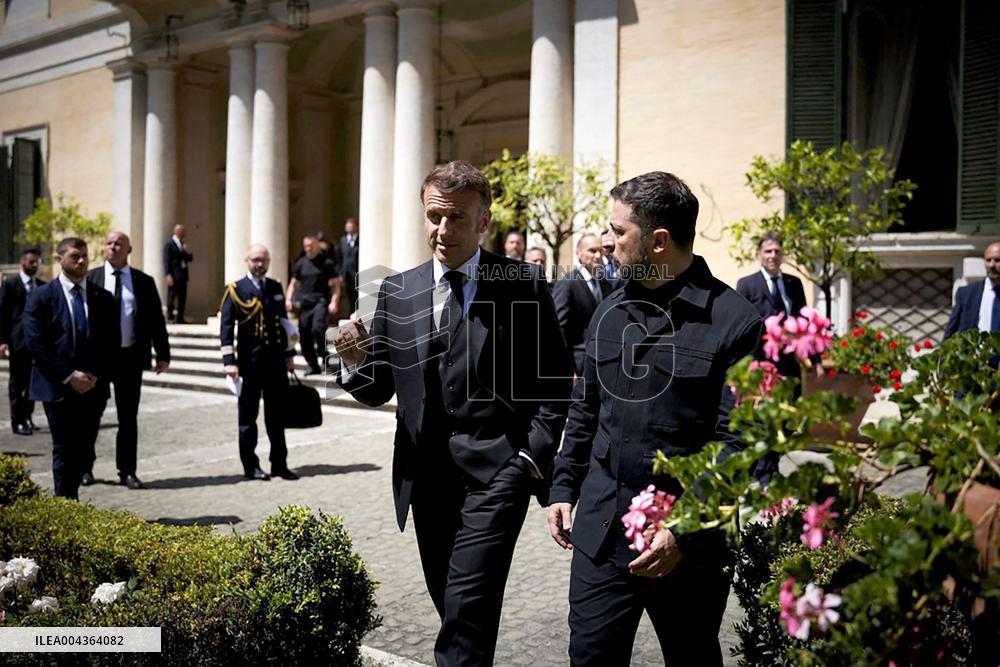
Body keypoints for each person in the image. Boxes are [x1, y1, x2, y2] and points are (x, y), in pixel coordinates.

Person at [333, 161, 573, 665]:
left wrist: (528, 462)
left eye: (457, 218)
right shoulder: (399, 291)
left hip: (496, 478)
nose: (443, 230)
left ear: (484, 221)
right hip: (425, 483)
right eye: (434, 216)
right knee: (456, 609)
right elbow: (379, 390)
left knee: (465, 611)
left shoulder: (522, 285)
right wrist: (354, 358)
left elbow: (555, 386)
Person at [547, 172, 762, 666]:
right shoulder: (609, 310)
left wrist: (683, 529)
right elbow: (586, 410)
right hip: (602, 532)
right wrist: (563, 487)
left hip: (688, 550)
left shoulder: (736, 323)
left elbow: (741, 443)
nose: (607, 241)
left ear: (658, 240)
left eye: (618, 232)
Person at [23, 238, 120, 500]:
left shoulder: (104, 298)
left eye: (85, 256)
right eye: (75, 256)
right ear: (59, 259)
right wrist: (69, 375)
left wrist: (94, 376)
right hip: (57, 386)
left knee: (85, 449)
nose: (81, 261)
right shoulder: (41, 297)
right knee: (64, 447)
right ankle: (66, 503)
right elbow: (36, 343)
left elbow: (112, 342)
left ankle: (71, 495)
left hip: (93, 386)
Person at [83, 231, 170, 489]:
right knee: (91, 416)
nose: (113, 247)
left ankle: (127, 471)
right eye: (109, 243)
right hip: (98, 361)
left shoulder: (143, 281)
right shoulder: (92, 278)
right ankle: (85, 468)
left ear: (128, 249)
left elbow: (156, 319)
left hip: (130, 358)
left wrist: (163, 353)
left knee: (128, 418)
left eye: (118, 243)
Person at [220, 244, 298, 481]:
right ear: (247, 260)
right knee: (248, 418)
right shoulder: (235, 289)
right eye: (256, 260)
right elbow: (226, 327)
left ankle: (279, 464)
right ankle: (250, 465)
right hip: (248, 364)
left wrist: (289, 355)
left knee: (277, 416)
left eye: (264, 260)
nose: (260, 264)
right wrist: (229, 361)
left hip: (275, 363)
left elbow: (283, 324)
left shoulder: (275, 286)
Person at [553, 234, 612, 376]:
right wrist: (568, 368)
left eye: (600, 250)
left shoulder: (604, 284)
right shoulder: (568, 283)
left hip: (603, 362)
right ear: (578, 253)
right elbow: (558, 329)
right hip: (578, 364)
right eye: (592, 251)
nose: (598, 255)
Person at [0, 248, 44, 435]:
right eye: (31, 262)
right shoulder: (10, 285)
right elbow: (2, 314)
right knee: (17, 384)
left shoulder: (42, 286)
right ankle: (17, 421)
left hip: (37, 343)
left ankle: (28, 417)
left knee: (33, 382)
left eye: (37, 262)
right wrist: (2, 341)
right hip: (18, 342)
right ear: (22, 262)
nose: (34, 265)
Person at [287, 235, 339, 375]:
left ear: (317, 246)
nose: (308, 248)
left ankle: (324, 356)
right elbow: (293, 284)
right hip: (305, 305)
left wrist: (334, 301)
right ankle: (313, 364)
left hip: (320, 302)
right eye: (306, 246)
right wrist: (288, 300)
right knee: (304, 336)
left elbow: (335, 285)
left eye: (311, 245)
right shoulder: (301, 263)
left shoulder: (326, 263)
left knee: (317, 328)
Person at [944, 241, 1000, 338]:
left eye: (997, 260)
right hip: (975, 352)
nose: (992, 265)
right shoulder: (966, 294)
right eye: (988, 260)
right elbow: (951, 331)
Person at [164, 224, 193, 323]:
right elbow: (167, 260)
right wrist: (168, 274)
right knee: (171, 297)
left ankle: (180, 317)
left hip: (183, 275)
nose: (184, 233)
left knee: (182, 298)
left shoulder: (183, 244)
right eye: (182, 231)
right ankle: (170, 317)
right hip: (173, 275)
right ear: (176, 231)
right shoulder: (169, 244)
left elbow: (190, 259)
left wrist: (186, 251)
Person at [338, 218, 360, 313]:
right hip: (346, 275)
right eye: (347, 227)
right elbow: (340, 258)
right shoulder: (343, 240)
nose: (349, 228)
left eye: (351, 226)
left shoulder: (361, 239)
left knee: (357, 296)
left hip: (357, 273)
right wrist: (341, 274)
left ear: (356, 227)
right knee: (349, 296)